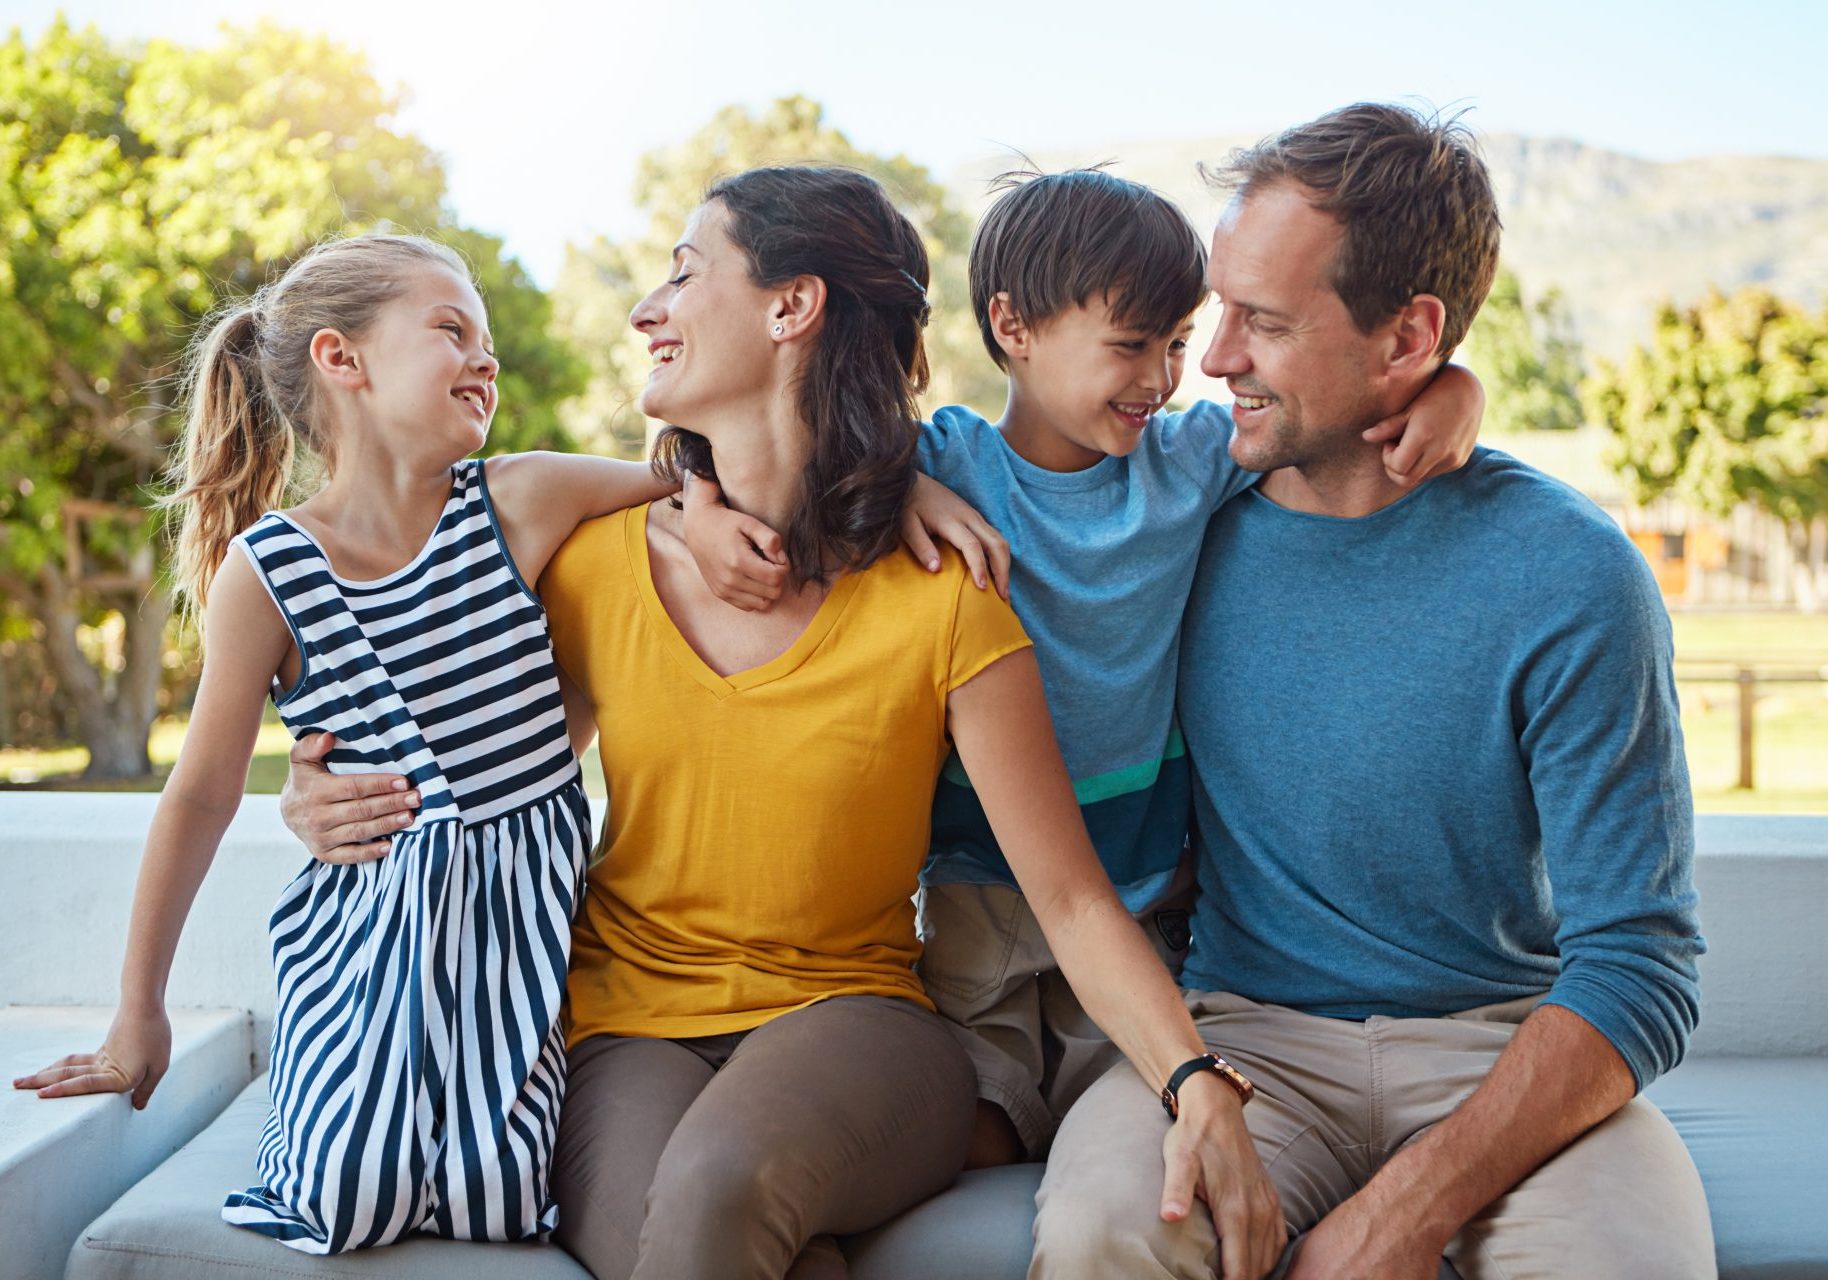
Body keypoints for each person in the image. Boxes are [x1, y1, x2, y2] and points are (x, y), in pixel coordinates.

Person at [280, 165, 1288, 1280]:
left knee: (716, 1186)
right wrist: (324, 794)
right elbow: (465, 771)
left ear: (789, 306)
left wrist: (1197, 1081)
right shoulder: (594, 565)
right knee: (723, 1241)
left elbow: (1069, 895)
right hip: (624, 1030)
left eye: (683, 271)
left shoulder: (945, 594)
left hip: (864, 1026)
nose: (645, 308)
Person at [1030, 104, 1714, 1280]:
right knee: (1102, 1238)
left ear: (1409, 342)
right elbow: (982, 459)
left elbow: (1640, 964)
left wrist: (1402, 1213)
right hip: (1239, 1034)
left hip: (1500, 1042)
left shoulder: (1571, 574)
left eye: (1263, 323)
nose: (1213, 359)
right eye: (1218, 308)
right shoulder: (1176, 521)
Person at [11, 233, 703, 1254]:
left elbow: (702, 481)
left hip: (520, 951)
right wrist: (136, 1012)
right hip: (367, 943)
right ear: (344, 359)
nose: (486, 356)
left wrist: (890, 488)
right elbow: (199, 795)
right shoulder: (271, 569)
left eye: (489, 338)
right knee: (349, 1189)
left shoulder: (524, 497)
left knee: (495, 1193)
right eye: (450, 328)